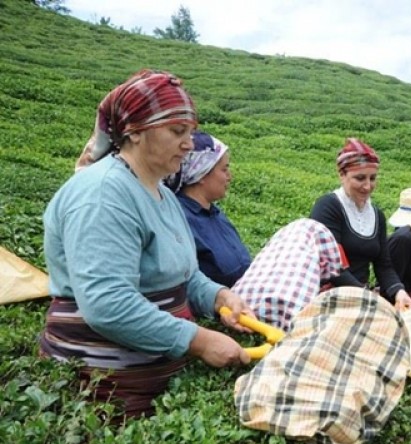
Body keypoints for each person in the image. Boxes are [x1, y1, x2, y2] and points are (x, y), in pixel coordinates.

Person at [40, 69, 252, 419]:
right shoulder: (103, 194)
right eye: (177, 132)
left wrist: (218, 297)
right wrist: (199, 341)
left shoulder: (163, 194)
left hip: (161, 373)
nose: (188, 143)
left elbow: (184, 274)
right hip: (106, 387)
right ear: (135, 132)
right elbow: (106, 303)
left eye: (190, 132)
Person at [310, 138, 411, 310]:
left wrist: (399, 292)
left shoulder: (377, 215)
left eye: (372, 178)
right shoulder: (328, 207)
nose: (367, 186)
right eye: (360, 178)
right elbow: (332, 266)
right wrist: (366, 295)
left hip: (361, 296)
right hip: (329, 294)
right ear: (342, 175)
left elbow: (384, 265)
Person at [165, 131, 253, 288]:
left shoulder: (215, 213)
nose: (229, 177)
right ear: (202, 174)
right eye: (224, 169)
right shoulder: (181, 219)